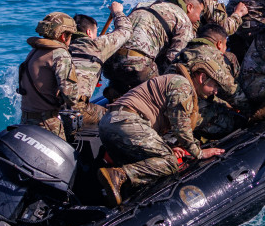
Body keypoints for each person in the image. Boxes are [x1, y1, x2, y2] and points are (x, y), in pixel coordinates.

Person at [97, 59, 228, 206]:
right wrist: (199, 153)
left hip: (112, 123)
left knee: (153, 164)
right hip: (127, 122)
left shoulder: (172, 82)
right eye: (214, 85)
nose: (215, 92)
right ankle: (120, 174)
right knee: (170, 162)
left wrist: (167, 147)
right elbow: (180, 127)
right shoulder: (182, 85)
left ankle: (119, 190)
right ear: (202, 78)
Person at [102, 0, 203, 100]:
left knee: (125, 72)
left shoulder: (143, 5)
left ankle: (116, 91)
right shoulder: (183, 19)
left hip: (109, 63)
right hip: (137, 65)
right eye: (199, 13)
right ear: (189, 7)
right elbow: (174, 59)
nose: (198, 19)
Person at [167, 23, 249, 139]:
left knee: (222, 104)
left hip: (174, 106)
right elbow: (231, 90)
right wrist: (252, 110)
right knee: (237, 122)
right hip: (190, 111)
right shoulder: (213, 56)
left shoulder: (184, 53)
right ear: (219, 44)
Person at [17, 12, 81, 140]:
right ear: (63, 36)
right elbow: (70, 97)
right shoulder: (60, 53)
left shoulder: (34, 51)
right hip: (46, 123)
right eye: (71, 36)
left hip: (25, 121)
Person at [66, 2, 132, 126]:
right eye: (96, 32)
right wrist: (117, 12)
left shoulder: (62, 50)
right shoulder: (96, 45)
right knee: (120, 116)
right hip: (77, 111)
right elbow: (126, 30)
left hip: (53, 108)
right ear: (89, 32)